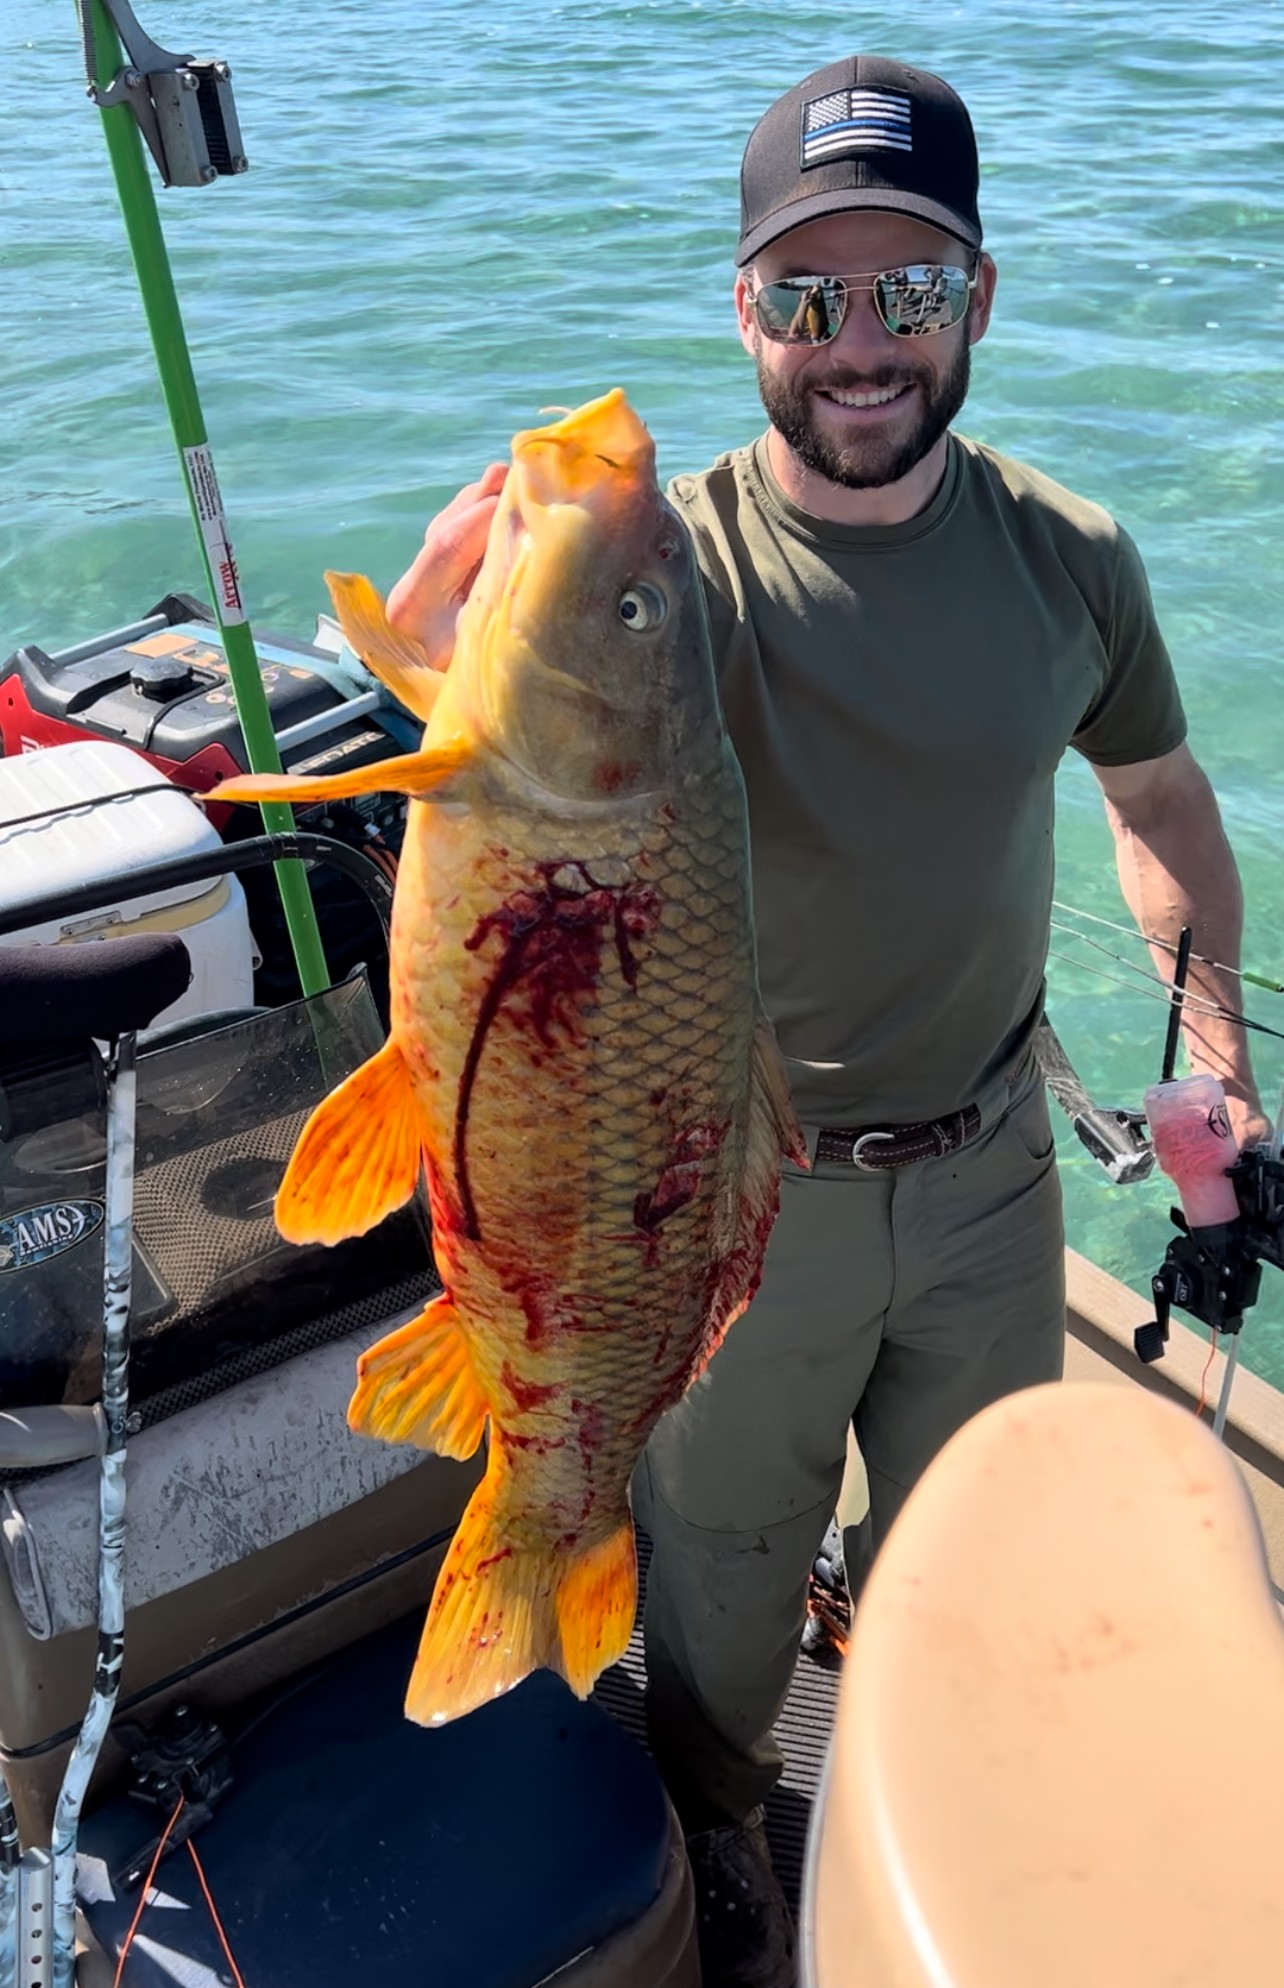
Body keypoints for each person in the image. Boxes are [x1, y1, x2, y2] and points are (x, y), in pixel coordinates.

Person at [386, 55, 1266, 1988]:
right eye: (805, 298)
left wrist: (1212, 1065)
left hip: (992, 1181)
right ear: (745, 317)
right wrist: (453, 646)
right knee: (712, 1595)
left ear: (978, 303)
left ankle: (929, 1783)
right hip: (721, 1209)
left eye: (907, 294)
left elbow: (1165, 814)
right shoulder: (655, 575)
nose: (856, 346)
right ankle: (722, 1826)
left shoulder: (1075, 560)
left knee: (982, 1556)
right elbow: (502, 794)